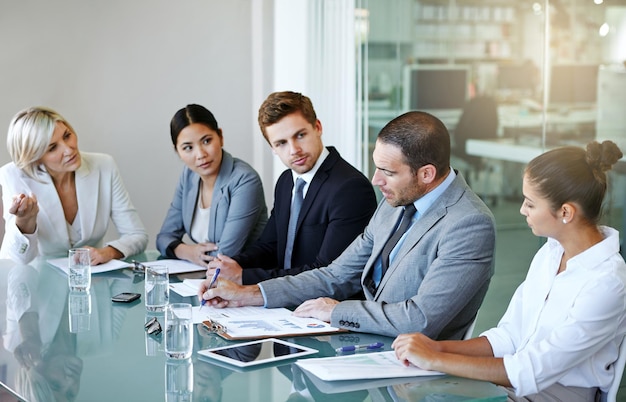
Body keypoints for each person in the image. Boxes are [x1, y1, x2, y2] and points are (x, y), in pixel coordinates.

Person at [200, 110, 496, 339]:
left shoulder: (469, 224)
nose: (376, 180)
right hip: (361, 345)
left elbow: (420, 319)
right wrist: (248, 294)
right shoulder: (396, 202)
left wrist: (337, 310)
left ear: (427, 174)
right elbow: (335, 275)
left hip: (413, 370)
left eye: (387, 172)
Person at [392, 141, 626, 401]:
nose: (522, 210)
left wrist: (435, 359)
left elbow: (530, 371)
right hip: (510, 387)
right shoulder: (550, 254)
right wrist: (437, 347)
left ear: (565, 212)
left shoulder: (607, 283)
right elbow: (508, 337)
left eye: (530, 203)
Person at [207, 91, 377, 285]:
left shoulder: (350, 188)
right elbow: (271, 245)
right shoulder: (286, 180)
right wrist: (229, 265)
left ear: (318, 127)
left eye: (300, 135)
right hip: (284, 302)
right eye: (281, 143)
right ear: (272, 147)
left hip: (321, 305)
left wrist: (243, 277)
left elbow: (327, 273)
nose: (294, 150)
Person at [0, 107, 148, 265]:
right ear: (35, 158)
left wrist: (107, 252)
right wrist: (25, 221)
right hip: (33, 278)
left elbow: (137, 235)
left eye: (67, 136)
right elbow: (19, 258)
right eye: (52, 148)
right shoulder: (13, 175)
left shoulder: (104, 166)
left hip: (91, 280)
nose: (68, 149)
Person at [156, 104, 268, 266]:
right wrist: (189, 252)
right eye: (188, 148)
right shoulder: (188, 176)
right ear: (178, 152)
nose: (201, 155)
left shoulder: (244, 179)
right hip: (203, 278)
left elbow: (224, 255)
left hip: (245, 280)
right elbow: (163, 238)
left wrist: (185, 251)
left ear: (220, 136)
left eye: (207, 141)